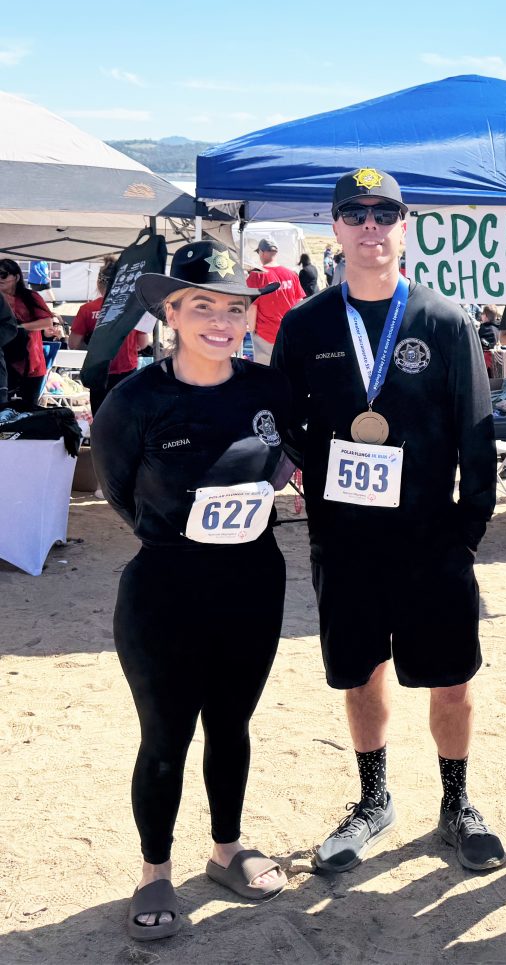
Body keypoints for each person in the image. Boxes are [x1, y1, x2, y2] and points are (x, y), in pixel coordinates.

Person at [272, 167, 505, 875]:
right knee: (360, 673)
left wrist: (466, 531)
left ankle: (456, 802)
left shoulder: (443, 318)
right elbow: (282, 422)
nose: (371, 226)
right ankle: (374, 799)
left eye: (385, 214)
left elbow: (476, 429)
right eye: (356, 213)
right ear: (335, 227)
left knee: (452, 679)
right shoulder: (306, 323)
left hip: (432, 539)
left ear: (406, 227)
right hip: (345, 542)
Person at [91, 241, 291, 942]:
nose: (220, 319)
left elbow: (286, 460)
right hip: (164, 593)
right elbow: (117, 490)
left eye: (234, 307)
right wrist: (177, 533)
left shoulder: (267, 391)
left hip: (254, 585)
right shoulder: (134, 399)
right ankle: (154, 870)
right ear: (170, 312)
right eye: (201, 304)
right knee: (166, 737)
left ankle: (227, 848)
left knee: (231, 725)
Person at [69, 255, 152, 414]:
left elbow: (73, 344)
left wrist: (94, 345)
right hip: (126, 372)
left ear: (99, 283)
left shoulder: (87, 310)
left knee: (101, 420)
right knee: (126, 420)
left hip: (98, 371)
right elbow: (142, 343)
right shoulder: (133, 307)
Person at [0, 258, 61, 404]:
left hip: (31, 362)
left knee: (29, 411)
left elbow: (47, 321)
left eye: (3, 274)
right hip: (4, 362)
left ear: (16, 277)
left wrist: (19, 327)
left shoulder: (30, 296)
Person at [245, 239, 303, 364]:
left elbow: (252, 307)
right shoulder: (291, 275)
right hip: (288, 333)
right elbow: (299, 303)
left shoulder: (256, 276)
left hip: (265, 335)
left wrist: (252, 330)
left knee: (265, 375)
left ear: (261, 252)